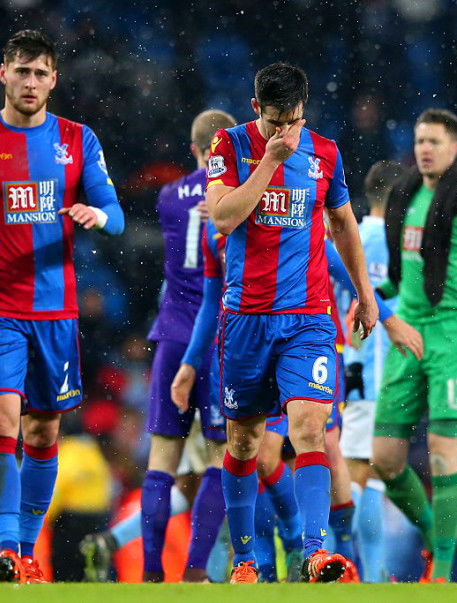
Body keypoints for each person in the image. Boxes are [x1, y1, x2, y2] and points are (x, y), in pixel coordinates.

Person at [0, 29, 124, 584]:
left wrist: (98, 217)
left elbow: (113, 209)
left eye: (41, 73)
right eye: (23, 71)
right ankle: (10, 550)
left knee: (41, 434)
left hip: (56, 313)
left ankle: (28, 551)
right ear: (3, 74)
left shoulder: (77, 140)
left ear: (54, 79)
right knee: (0, 420)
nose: (32, 82)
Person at [205, 62, 379, 583]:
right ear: (257, 108)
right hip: (245, 320)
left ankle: (313, 551)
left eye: (296, 120)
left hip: (307, 319)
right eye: (277, 120)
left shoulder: (325, 152)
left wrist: (365, 297)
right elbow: (222, 217)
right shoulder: (228, 146)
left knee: (308, 427)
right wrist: (267, 163)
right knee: (243, 443)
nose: (287, 132)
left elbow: (343, 224)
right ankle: (243, 560)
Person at [370, 108, 457, 583]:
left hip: (453, 335)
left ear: (454, 147)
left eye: (434, 141)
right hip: (407, 334)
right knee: (385, 459)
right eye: (419, 140)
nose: (424, 149)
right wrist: (374, 302)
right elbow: (398, 277)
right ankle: (434, 540)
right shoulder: (404, 195)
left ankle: (443, 577)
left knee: (440, 452)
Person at [134, 108, 236, 583]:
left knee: (162, 458)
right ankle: (196, 570)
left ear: (193, 148)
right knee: (220, 454)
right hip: (219, 337)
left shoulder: (169, 196)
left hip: (172, 334)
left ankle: (152, 574)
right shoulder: (238, 200)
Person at [340, 160, 405, 583]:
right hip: (384, 374)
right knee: (368, 476)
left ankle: (345, 566)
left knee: (354, 474)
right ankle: (368, 573)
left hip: (350, 368)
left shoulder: (348, 240)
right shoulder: (400, 248)